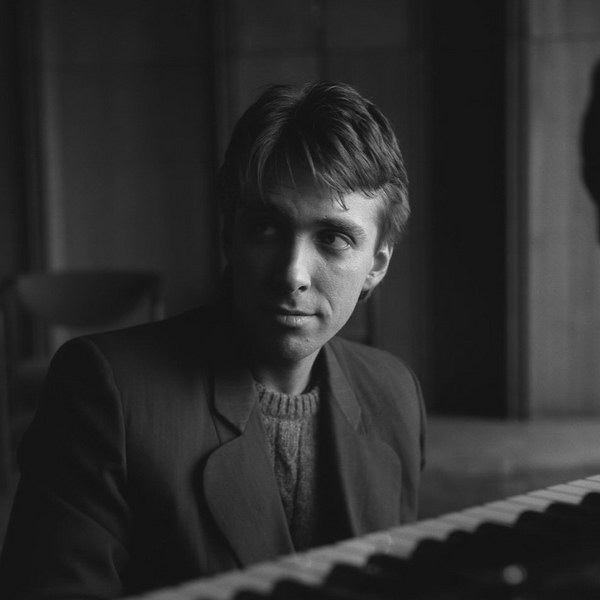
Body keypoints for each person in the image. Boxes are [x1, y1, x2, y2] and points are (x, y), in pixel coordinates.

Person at [0, 81, 426, 599]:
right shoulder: (105, 391)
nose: (292, 273)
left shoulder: (395, 391)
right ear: (230, 235)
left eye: (333, 238)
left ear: (376, 265)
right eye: (266, 227)